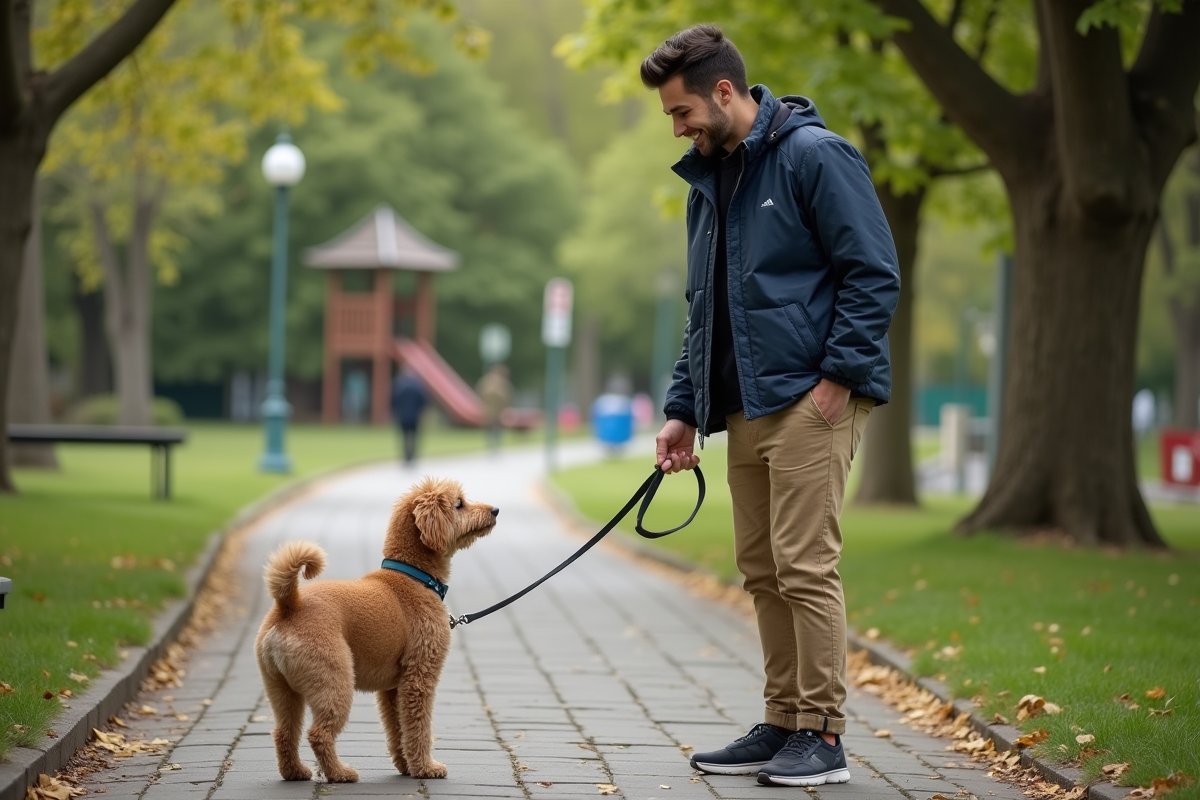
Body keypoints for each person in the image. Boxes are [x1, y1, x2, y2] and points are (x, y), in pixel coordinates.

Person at [642, 25, 900, 788]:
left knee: (805, 567)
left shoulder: (817, 157)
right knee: (762, 568)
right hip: (746, 407)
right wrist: (684, 408)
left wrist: (836, 380)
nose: (679, 127)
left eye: (682, 111)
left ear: (725, 93)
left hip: (810, 402)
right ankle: (784, 718)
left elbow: (873, 273)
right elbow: (704, 309)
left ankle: (822, 735)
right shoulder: (709, 183)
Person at [390, 367, 428, 465]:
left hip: (402, 416)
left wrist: (394, 412)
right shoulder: (417, 386)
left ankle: (406, 456)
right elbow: (423, 400)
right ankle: (413, 455)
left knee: (404, 436)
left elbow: (393, 400)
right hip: (414, 416)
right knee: (414, 436)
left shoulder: (399, 386)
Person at [476, 363, 513, 452]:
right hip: (493, 409)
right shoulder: (499, 382)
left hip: (493, 409)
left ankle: (493, 445)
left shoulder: (488, 381)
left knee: (493, 427)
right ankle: (494, 445)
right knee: (494, 427)